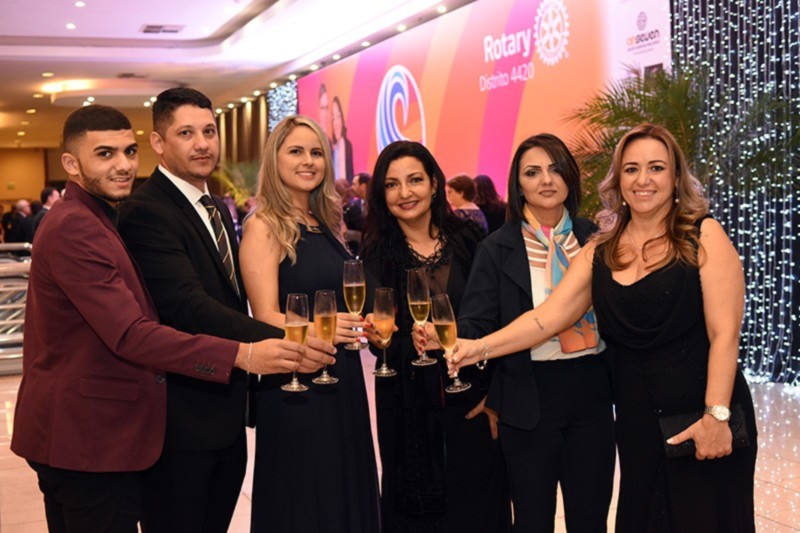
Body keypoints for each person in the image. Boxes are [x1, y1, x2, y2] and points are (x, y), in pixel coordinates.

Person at [11, 104, 332, 532]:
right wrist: (244, 354)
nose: (123, 165)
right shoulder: (78, 225)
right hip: (88, 435)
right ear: (71, 164)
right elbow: (132, 333)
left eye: (128, 151)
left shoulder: (98, 216)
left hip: (97, 434)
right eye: (105, 154)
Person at [449, 124, 758, 531]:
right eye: (631, 169)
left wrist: (716, 416)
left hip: (701, 412)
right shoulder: (602, 247)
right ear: (618, 180)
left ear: (675, 177)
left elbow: (725, 334)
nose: (643, 180)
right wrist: (479, 348)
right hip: (637, 422)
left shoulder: (704, 234)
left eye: (656, 168)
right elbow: (547, 317)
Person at [118, 88, 334, 533]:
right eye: (186, 133)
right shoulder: (146, 210)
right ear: (158, 143)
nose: (202, 144)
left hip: (226, 414)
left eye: (209, 132)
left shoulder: (213, 205)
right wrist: (287, 339)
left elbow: (229, 297)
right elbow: (188, 304)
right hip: (181, 422)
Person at [455, 134, 615, 531]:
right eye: (532, 172)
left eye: (555, 169)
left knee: (591, 521)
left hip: (592, 394)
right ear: (518, 184)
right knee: (532, 522)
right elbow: (476, 323)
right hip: (528, 398)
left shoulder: (596, 239)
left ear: (570, 178)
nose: (546, 180)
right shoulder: (496, 248)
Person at [239, 115, 381, 532]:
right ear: (275, 159)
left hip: (341, 376)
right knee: (306, 497)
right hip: (296, 383)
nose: (308, 161)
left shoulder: (325, 223)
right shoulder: (264, 225)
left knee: (342, 489)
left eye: (316, 152)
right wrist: (322, 328)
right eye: (296, 151)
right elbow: (264, 315)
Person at [361, 140, 510, 531]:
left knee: (479, 508)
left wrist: (497, 395)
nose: (405, 193)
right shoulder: (376, 252)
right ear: (381, 194)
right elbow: (382, 334)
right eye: (392, 184)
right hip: (408, 408)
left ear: (434, 183)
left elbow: (498, 318)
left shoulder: (468, 239)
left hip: (474, 398)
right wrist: (383, 338)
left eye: (414, 180)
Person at [334, 178, 364, 254]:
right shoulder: (333, 209)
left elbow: (365, 235)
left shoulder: (352, 209)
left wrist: (347, 233)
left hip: (352, 251)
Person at [330, 96, 354, 183]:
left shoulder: (347, 146)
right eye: (333, 118)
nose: (335, 123)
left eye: (338, 116)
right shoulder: (332, 148)